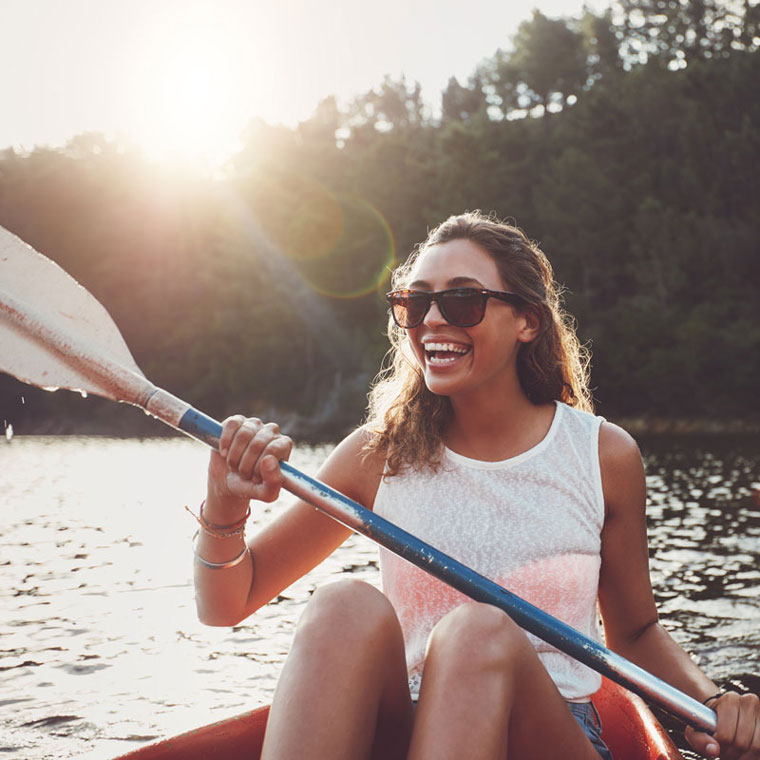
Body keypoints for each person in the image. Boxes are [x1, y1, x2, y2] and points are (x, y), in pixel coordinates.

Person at [192, 211, 760, 759]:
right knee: (343, 604)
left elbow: (634, 633)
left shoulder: (601, 455)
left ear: (527, 322)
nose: (433, 320)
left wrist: (712, 702)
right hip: (409, 731)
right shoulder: (378, 454)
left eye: (462, 300)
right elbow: (228, 603)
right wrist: (225, 504)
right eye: (415, 303)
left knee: (478, 633)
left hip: (553, 735)